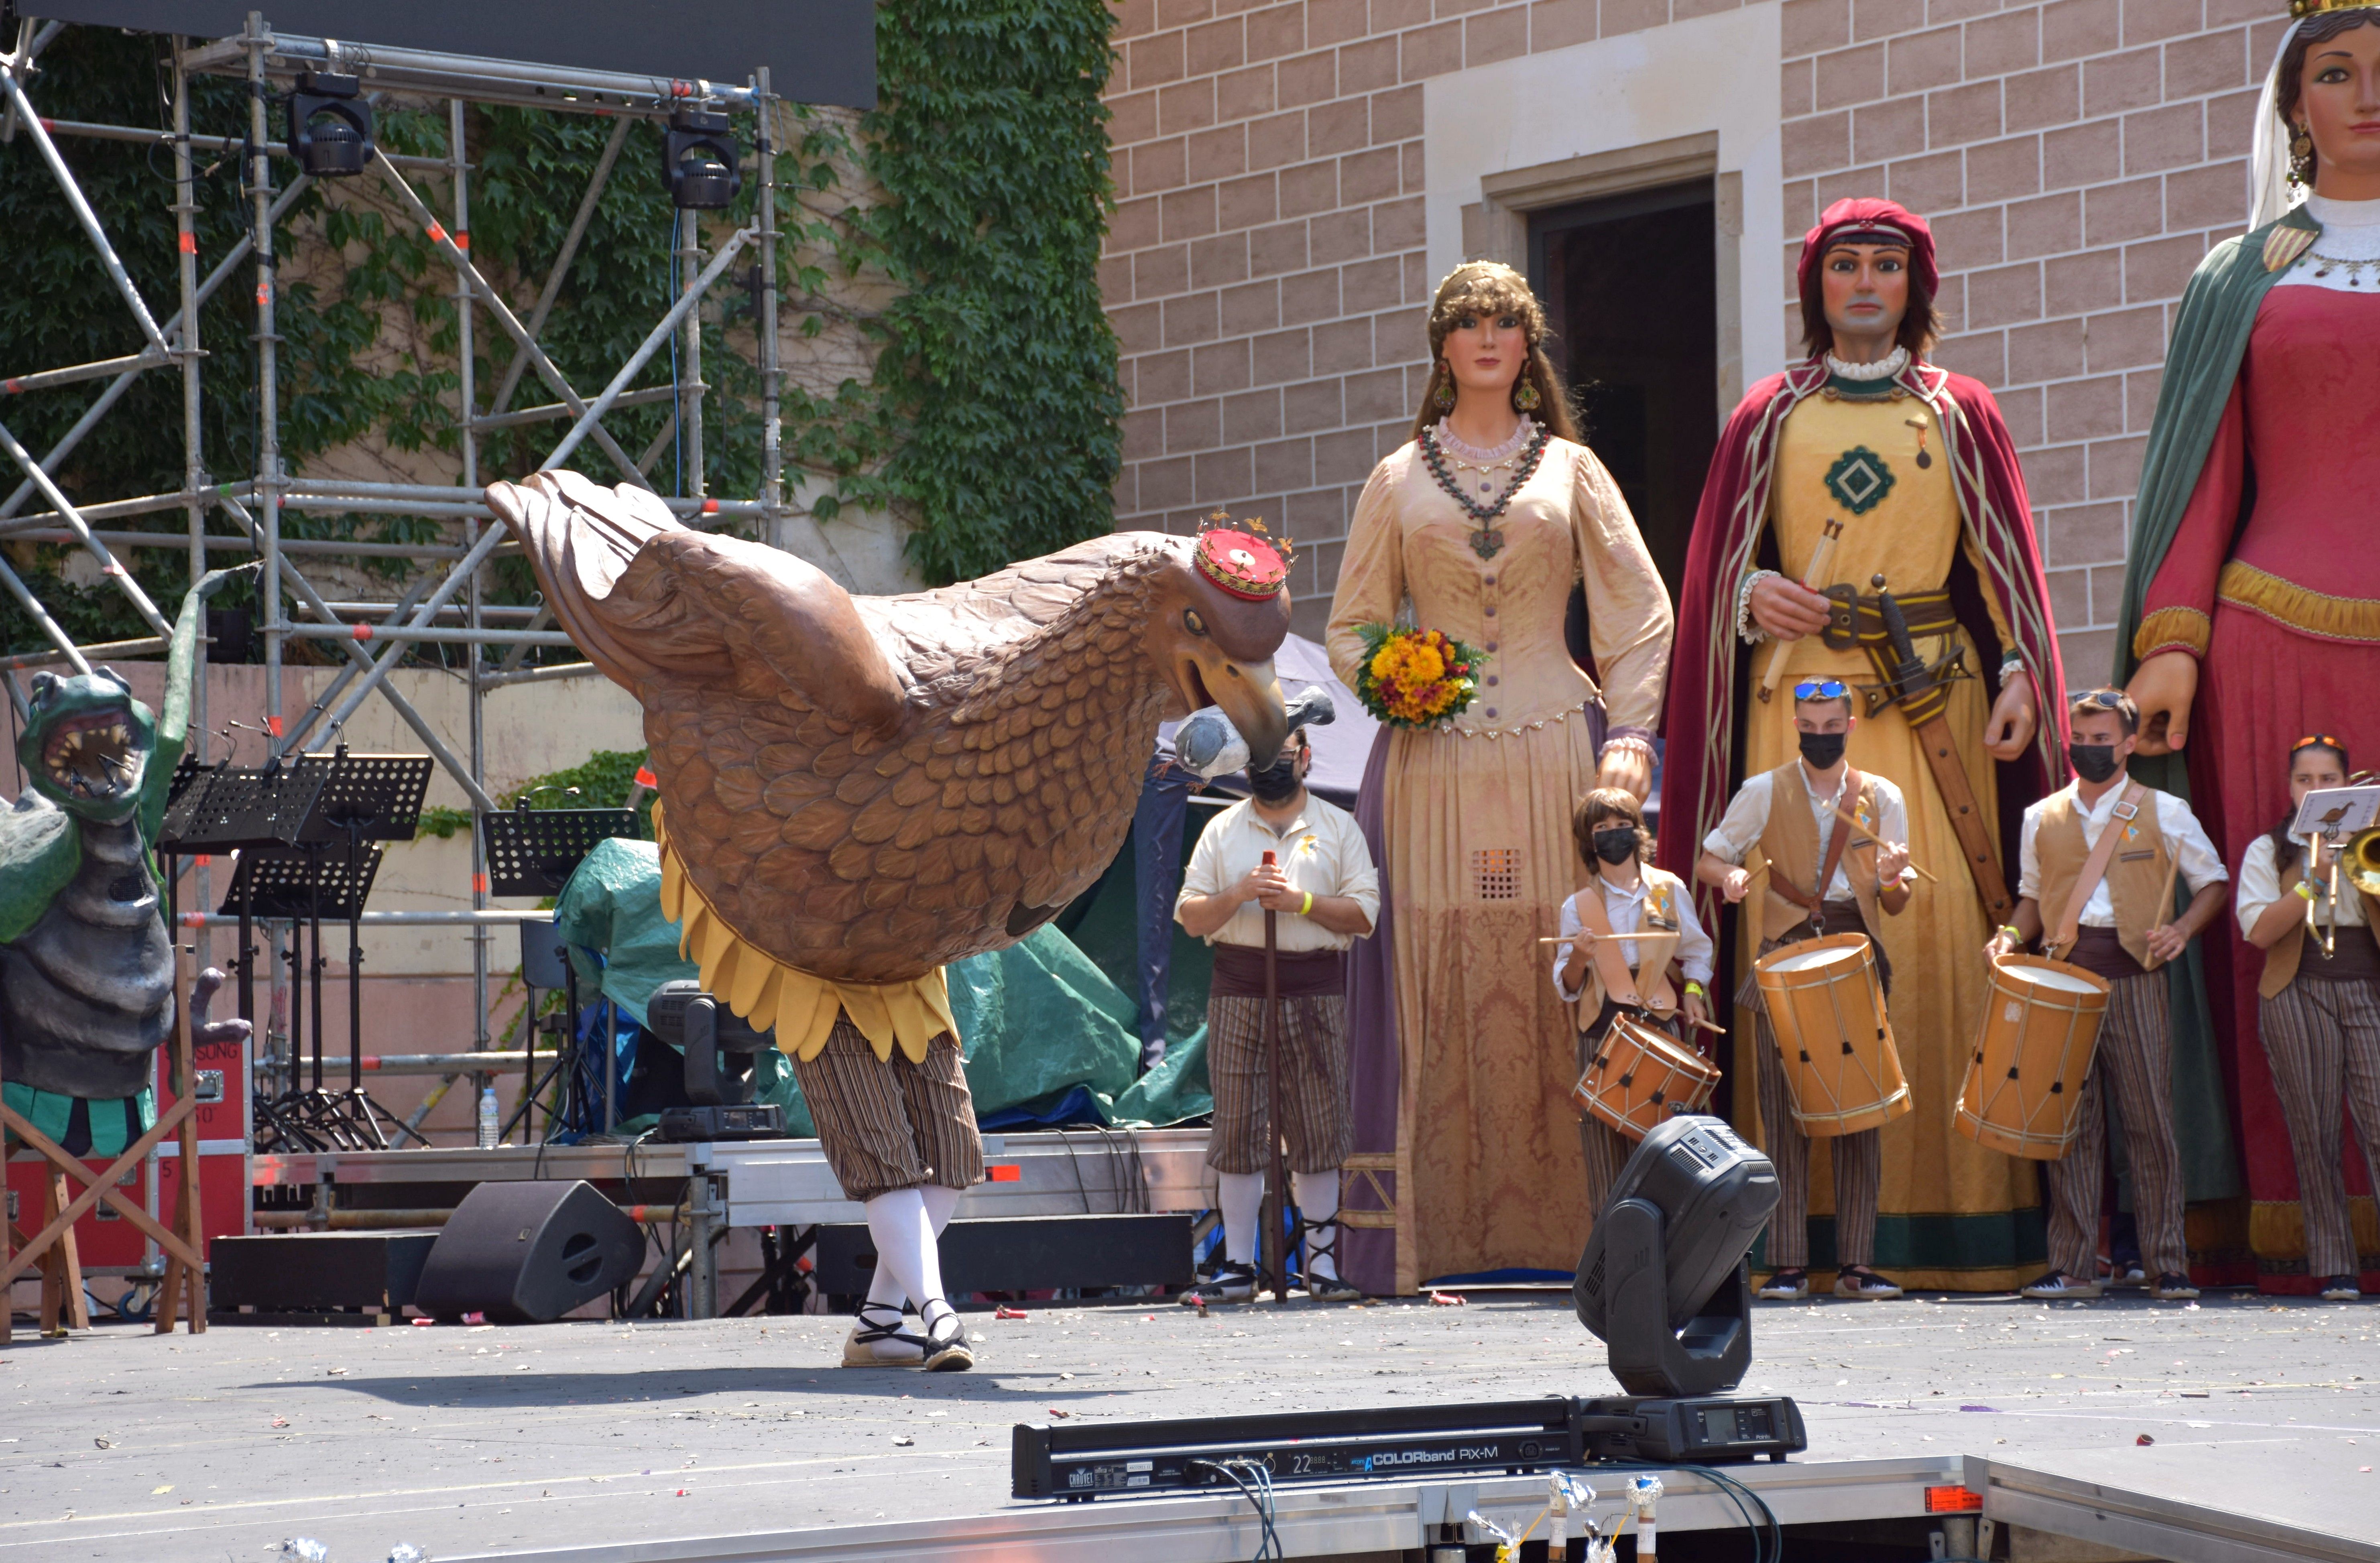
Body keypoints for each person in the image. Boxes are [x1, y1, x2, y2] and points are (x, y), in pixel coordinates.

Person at [1656, 197, 2068, 1292]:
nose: (1867, 283)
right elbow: (1712, 574)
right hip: (1798, 701)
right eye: (1847, 265)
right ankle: (1794, 1233)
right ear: (1816, 285)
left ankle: (1953, 1221)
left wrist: (2023, 668)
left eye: (1888, 264)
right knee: (1794, 939)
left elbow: (2005, 564)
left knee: (1931, 934)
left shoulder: (1957, 408)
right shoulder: (1768, 414)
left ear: (1916, 285)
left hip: (1933, 697)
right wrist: (1753, 593)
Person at [1326, 260, 1673, 1293]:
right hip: (1430, 763)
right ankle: (1428, 1243)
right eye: (1467, 323)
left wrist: (1635, 735)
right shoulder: (1396, 479)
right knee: (1431, 970)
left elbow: (1640, 609)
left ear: (1528, 347)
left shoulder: (1573, 470)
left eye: (1505, 323)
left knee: (1563, 966)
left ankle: (1582, 1235)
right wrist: (1394, 679)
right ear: (1443, 347)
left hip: (1552, 742)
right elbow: (1348, 627)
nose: (1485, 338)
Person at [2116, 0, 2380, 1290]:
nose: (2364, 94)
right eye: (2333, 73)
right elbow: (2200, 470)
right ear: (2291, 108)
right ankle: (2295, 1220)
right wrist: (2168, 642)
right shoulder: (2242, 273)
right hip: (2271, 644)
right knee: (2294, 938)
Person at [1988, 689, 2230, 1302]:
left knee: (2150, 1122)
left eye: (2103, 739)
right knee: (2067, 1127)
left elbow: (2213, 883)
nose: (2090, 748)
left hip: (2135, 978)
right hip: (2063, 984)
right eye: (2082, 737)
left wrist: (2180, 929)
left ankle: (2165, 1262)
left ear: (2126, 743)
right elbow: (2031, 896)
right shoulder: (2040, 816)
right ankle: (2072, 1266)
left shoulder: (2165, 810)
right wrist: (2011, 935)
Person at [1696, 681, 1915, 1300]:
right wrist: (1733, 873)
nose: (1819, 734)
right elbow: (1709, 859)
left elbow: (1895, 902)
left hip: (1854, 954)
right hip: (1784, 953)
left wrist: (1894, 877)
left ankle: (1857, 1263)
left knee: (1861, 1109)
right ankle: (1787, 1262)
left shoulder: (1882, 796)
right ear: (1795, 724)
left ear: (1849, 725)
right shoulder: (1763, 790)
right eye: (1809, 725)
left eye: (1830, 724)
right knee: (1783, 1107)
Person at [1174, 726, 1381, 1303]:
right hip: (1239, 989)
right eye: (1262, 755)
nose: (1272, 765)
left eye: (1283, 754)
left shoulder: (1339, 827)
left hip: (1314, 989)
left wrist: (1301, 902)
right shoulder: (1221, 828)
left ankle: (1321, 1264)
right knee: (1237, 1126)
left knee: (1319, 1125)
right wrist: (1239, 892)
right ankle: (1238, 1264)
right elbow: (1190, 916)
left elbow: (1364, 915)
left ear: (1306, 758)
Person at [2234, 736, 2380, 1301]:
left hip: (2366, 987)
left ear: (2346, 785)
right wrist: (2312, 875)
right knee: (2314, 1131)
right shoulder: (2267, 851)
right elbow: (2260, 931)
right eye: (2305, 780)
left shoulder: (2371, 841)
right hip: (2296, 990)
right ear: (2289, 788)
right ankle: (2334, 1263)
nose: (2316, 789)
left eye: (2328, 779)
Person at [1553, 787, 1715, 1217]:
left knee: (1667, 1151)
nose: (1612, 835)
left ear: (1637, 830)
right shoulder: (1578, 906)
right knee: (1604, 1154)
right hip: (1602, 1029)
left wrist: (1695, 993)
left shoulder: (1666, 889)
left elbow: (1697, 950)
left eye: (1621, 825)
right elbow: (1567, 986)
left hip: (1659, 1023)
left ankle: (1669, 1262)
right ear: (1589, 842)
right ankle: (1614, 1268)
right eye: (1601, 829)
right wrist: (1578, 957)